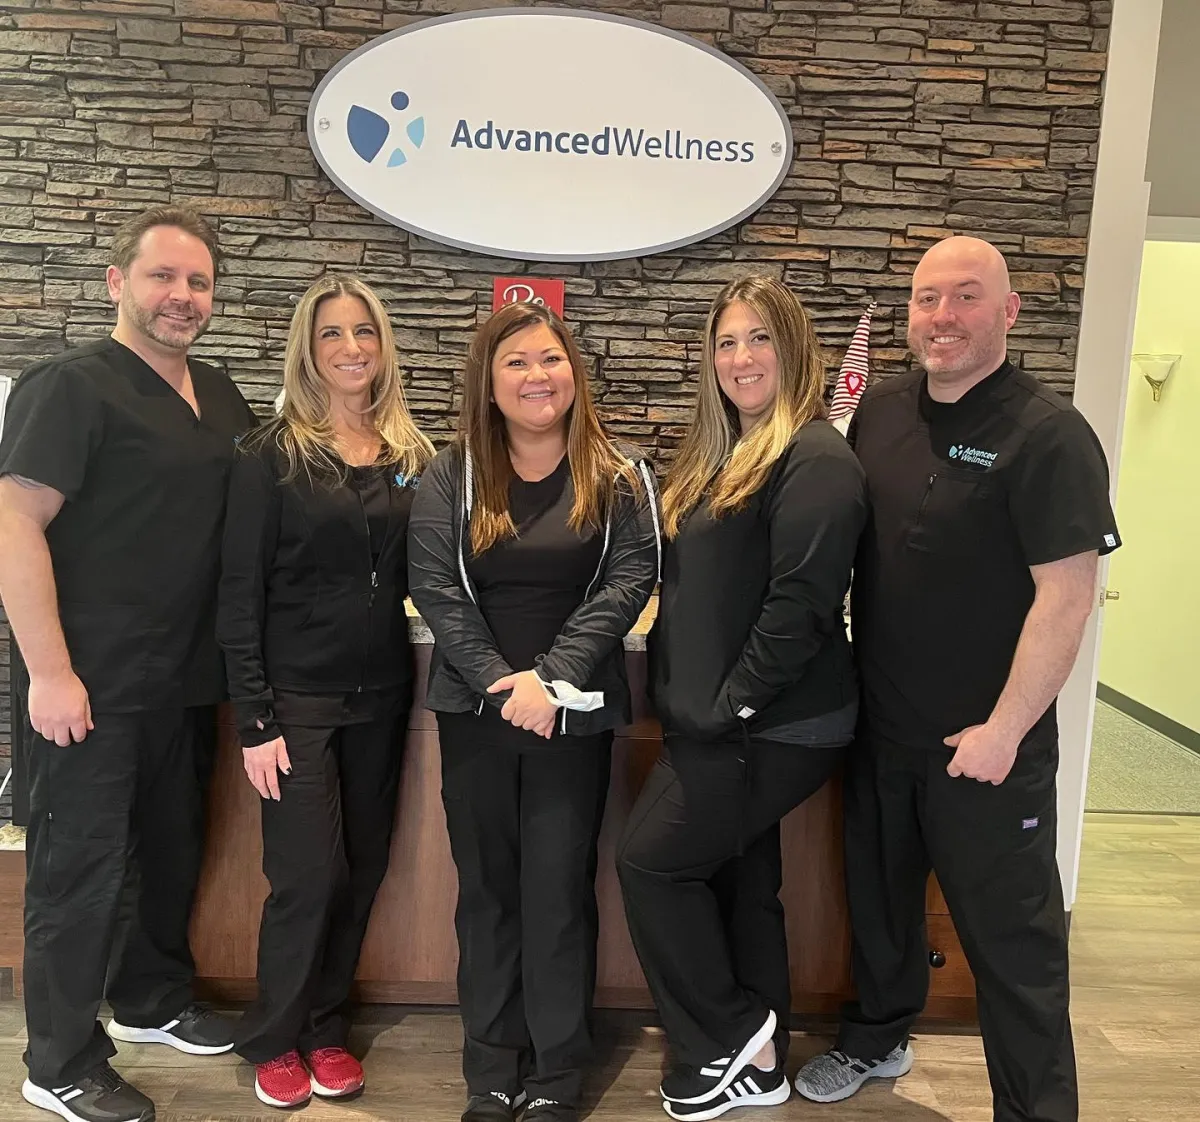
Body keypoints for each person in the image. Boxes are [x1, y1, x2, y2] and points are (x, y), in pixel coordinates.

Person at [793, 236, 1120, 1122]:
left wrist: (1004, 731)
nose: (943, 316)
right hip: (880, 730)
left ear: (1008, 311)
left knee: (1015, 950)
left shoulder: (1049, 435)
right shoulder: (880, 413)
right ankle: (876, 1039)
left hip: (987, 748)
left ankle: (1036, 1109)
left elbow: (1067, 599)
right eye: (927, 298)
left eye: (967, 296)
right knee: (881, 913)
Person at [0, 205, 257, 1122]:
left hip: (185, 683)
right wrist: (49, 672)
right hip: (90, 684)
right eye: (163, 276)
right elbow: (14, 525)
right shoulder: (68, 387)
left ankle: (151, 1000)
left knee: (168, 854)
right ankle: (60, 1062)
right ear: (118, 282)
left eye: (198, 282)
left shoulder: (219, 395)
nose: (182, 296)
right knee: (79, 873)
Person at [616, 276, 867, 1120]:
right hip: (718, 721)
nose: (741, 357)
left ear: (792, 347)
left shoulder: (816, 458)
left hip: (773, 725)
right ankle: (762, 1067)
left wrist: (731, 708)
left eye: (759, 337)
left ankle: (730, 1035)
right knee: (742, 880)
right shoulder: (725, 454)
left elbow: (801, 606)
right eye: (726, 342)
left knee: (650, 864)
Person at [408, 301, 660, 1122]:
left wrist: (549, 681)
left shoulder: (618, 476)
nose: (536, 376)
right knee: (487, 892)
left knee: (557, 891)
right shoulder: (451, 474)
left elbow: (629, 580)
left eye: (550, 359)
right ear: (488, 382)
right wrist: (501, 683)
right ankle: (490, 1066)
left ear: (573, 374)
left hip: (570, 717)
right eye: (515, 362)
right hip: (476, 714)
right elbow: (435, 588)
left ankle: (556, 1070)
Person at [216, 274, 434, 1109]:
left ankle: (324, 1027)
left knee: (362, 869)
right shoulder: (269, 454)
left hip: (383, 695)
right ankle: (274, 1036)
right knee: (306, 876)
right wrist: (255, 717)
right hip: (295, 702)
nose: (351, 348)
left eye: (365, 332)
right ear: (307, 350)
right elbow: (239, 593)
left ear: (384, 347)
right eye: (332, 334)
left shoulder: (411, 455)